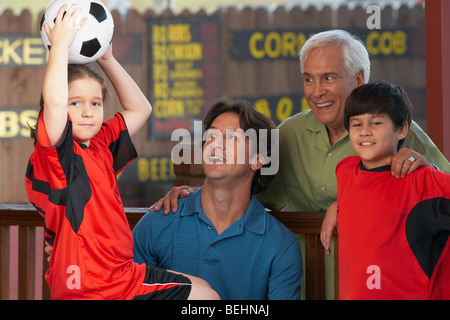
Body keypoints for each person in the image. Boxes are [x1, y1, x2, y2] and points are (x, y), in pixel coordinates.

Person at [152, 29, 450, 298]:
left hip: (384, 287)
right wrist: (190, 197)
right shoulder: (289, 133)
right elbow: (242, 186)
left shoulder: (399, 134)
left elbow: (438, 194)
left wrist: (425, 167)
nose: (316, 91)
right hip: (304, 282)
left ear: (358, 79)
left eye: (328, 78)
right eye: (308, 78)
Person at [25, 4, 218, 300]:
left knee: (204, 287)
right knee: (209, 300)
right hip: (94, 283)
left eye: (95, 103)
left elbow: (141, 109)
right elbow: (53, 104)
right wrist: (59, 48)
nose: (88, 112)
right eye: (75, 103)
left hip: (121, 271)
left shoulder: (101, 143)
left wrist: (108, 59)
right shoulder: (57, 153)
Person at [132, 98, 303, 300]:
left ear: (257, 160)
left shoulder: (281, 246)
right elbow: (121, 290)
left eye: (232, 138)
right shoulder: (158, 222)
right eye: (211, 136)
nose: (215, 145)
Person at [335, 81, 450, 299]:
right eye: (356, 124)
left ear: (401, 129)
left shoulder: (422, 179)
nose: (365, 131)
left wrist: (432, 169)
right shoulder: (345, 170)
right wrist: (336, 208)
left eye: (376, 123)